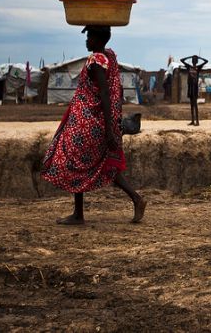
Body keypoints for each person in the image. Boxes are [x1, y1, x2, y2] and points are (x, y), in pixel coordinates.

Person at [41, 26, 146, 225]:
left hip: (87, 122)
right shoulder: (110, 57)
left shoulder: (96, 60)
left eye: (90, 36)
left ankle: (79, 214)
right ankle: (135, 199)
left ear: (99, 39)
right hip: (94, 121)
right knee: (103, 164)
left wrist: (108, 129)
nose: (86, 40)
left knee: (73, 161)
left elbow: (105, 94)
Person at [181, 54, 208, 126]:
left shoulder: (198, 68)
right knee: (191, 104)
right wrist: (189, 57)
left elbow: (206, 61)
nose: (193, 60)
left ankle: (197, 121)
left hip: (195, 87)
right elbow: (182, 60)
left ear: (197, 61)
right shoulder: (189, 67)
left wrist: (199, 57)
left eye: (195, 59)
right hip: (190, 87)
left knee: (195, 104)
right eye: (193, 59)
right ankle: (192, 120)